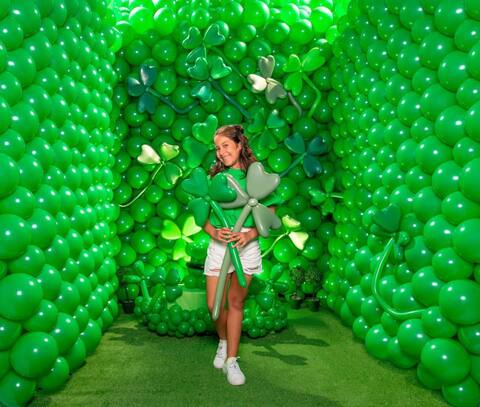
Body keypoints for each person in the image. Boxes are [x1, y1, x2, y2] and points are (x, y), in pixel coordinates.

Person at [203, 124, 275, 386]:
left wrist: (249, 235)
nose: (221, 152)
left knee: (235, 303)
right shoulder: (214, 178)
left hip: (246, 246)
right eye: (217, 148)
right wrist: (213, 231)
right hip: (219, 246)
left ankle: (232, 360)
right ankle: (223, 341)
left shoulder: (256, 176)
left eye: (226, 145)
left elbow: (271, 212)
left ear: (239, 145)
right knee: (213, 305)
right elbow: (202, 216)